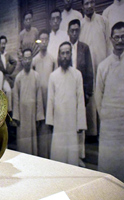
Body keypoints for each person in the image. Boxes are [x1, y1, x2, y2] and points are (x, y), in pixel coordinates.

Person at [46, 42, 87, 166]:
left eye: (67, 53)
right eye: (62, 53)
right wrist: (50, 121)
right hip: (59, 121)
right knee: (58, 153)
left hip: (72, 120)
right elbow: (50, 99)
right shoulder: (53, 76)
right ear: (59, 55)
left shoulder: (77, 74)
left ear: (71, 54)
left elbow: (80, 99)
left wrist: (81, 123)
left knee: (72, 155)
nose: (65, 56)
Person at [95, 21, 124, 182]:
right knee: (109, 169)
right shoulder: (104, 66)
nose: (120, 40)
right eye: (117, 37)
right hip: (109, 126)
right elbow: (99, 96)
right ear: (111, 39)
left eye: (123, 37)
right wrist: (105, 116)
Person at [79, 0, 109, 137]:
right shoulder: (81, 24)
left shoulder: (103, 21)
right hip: (88, 69)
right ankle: (91, 132)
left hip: (102, 65)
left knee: (103, 96)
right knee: (90, 98)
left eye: (91, 2)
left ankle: (103, 131)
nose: (89, 6)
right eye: (86, 3)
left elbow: (109, 43)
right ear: (82, 6)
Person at [68, 19, 94, 166]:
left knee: (79, 123)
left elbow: (89, 71)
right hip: (67, 91)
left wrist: (88, 92)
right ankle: (71, 154)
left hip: (81, 90)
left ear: (79, 31)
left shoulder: (84, 48)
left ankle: (80, 154)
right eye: (72, 30)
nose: (74, 33)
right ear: (68, 32)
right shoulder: (65, 48)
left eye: (76, 30)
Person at [12, 48, 44, 155]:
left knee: (32, 139)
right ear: (22, 60)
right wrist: (16, 117)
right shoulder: (18, 77)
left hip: (32, 113)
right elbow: (15, 98)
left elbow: (39, 97)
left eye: (29, 58)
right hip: (22, 113)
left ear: (31, 59)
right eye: (25, 58)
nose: (27, 61)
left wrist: (39, 116)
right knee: (23, 140)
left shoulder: (36, 76)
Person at [31, 29, 55, 159]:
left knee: (48, 124)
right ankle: (39, 154)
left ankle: (48, 154)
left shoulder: (52, 59)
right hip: (38, 97)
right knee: (39, 124)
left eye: (46, 39)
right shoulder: (34, 60)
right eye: (41, 40)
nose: (44, 42)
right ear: (38, 43)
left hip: (49, 96)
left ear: (49, 41)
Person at [0, 35, 17, 112]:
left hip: (5, 78)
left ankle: (9, 111)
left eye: (4, 44)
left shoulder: (7, 55)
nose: (3, 46)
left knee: (8, 91)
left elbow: (14, 62)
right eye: (2, 44)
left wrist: (9, 71)